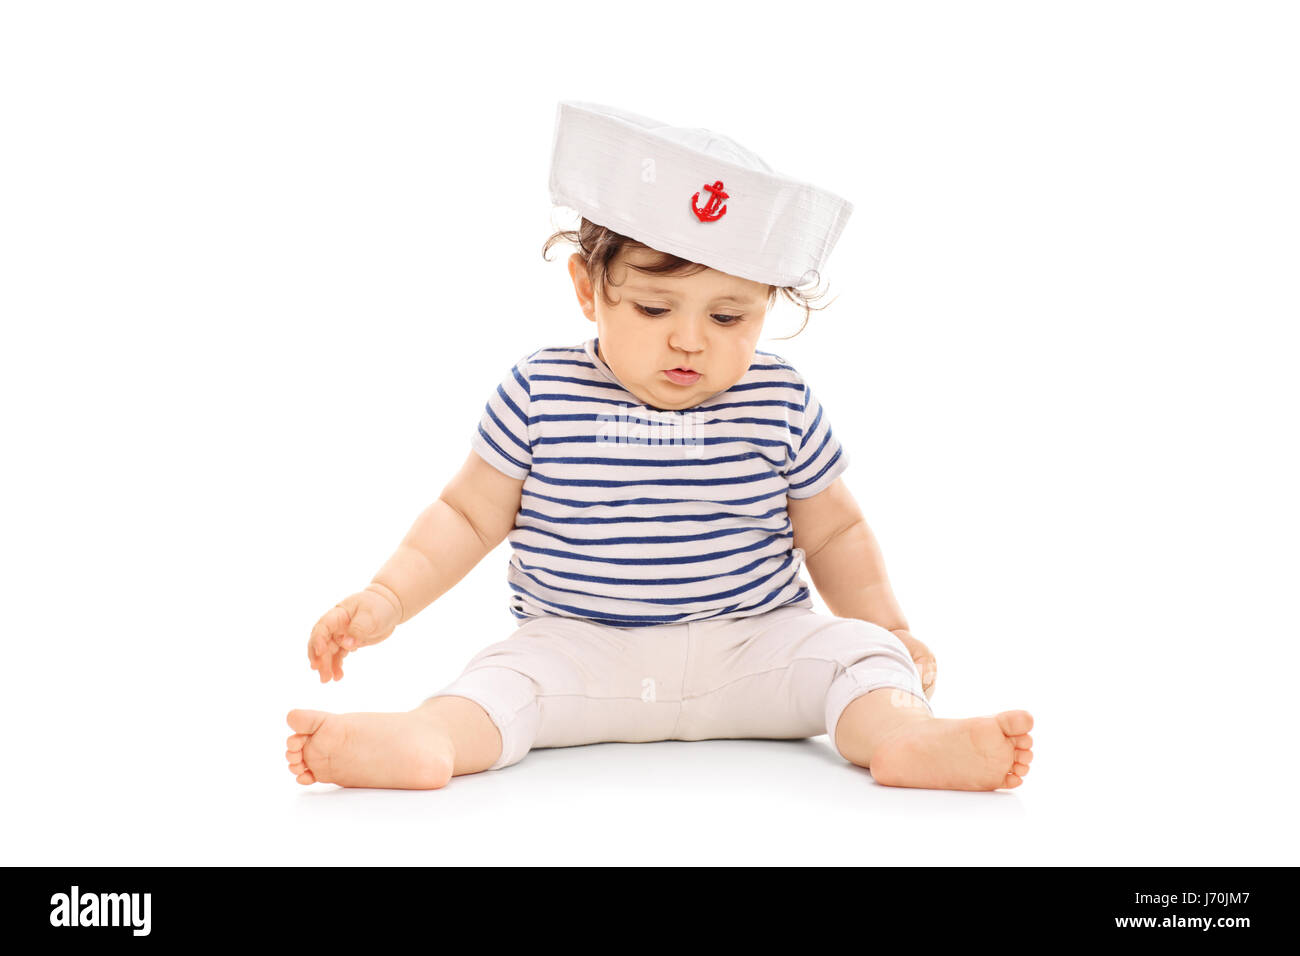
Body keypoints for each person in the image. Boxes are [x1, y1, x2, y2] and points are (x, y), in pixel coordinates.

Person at [285, 101, 1033, 791]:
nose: (689, 339)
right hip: (578, 653)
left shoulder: (779, 399)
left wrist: (893, 630)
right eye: (653, 306)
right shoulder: (539, 392)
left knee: (860, 660)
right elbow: (465, 517)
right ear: (588, 288)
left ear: (767, 308)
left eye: (729, 317)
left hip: (756, 651)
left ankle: (903, 737)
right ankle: (429, 739)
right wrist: (386, 598)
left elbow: (835, 528)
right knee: (499, 683)